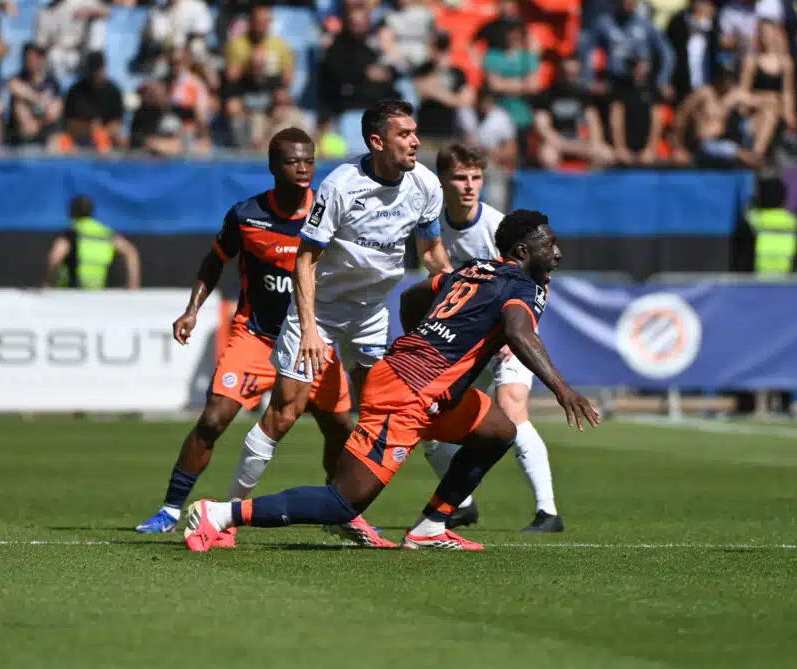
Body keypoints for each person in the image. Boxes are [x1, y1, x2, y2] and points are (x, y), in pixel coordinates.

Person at [183, 210, 600, 552]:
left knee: (498, 430)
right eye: (549, 245)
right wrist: (562, 389)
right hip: (409, 392)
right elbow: (517, 330)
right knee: (342, 503)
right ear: (524, 251)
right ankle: (220, 514)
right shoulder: (521, 285)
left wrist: (423, 340)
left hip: (423, 383)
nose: (558, 253)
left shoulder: (475, 269)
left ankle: (431, 527)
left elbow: (412, 296)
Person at [221, 99, 451, 549]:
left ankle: (349, 514)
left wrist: (452, 299)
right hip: (320, 309)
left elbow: (431, 255)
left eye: (416, 132)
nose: (416, 141)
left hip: (371, 311)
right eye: (405, 134)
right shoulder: (341, 186)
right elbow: (305, 260)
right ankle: (225, 516)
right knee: (285, 412)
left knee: (383, 413)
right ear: (376, 141)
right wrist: (308, 328)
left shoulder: (425, 184)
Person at [136, 128, 355, 539]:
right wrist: (192, 310)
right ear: (274, 166)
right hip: (257, 336)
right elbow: (214, 261)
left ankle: (338, 509)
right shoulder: (247, 216)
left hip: (310, 338)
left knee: (341, 426)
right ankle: (169, 510)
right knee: (214, 419)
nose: (303, 168)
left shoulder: (329, 215)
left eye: (309, 160)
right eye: (293, 161)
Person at [423, 144, 565, 533]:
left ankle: (548, 511)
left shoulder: (497, 227)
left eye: (476, 177)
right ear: (443, 182)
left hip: (508, 337)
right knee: (430, 423)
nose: (469, 186)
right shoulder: (431, 225)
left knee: (512, 408)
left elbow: (539, 282)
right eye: (460, 177)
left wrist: (515, 333)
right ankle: (461, 503)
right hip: (467, 343)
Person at [43, 194, 141, 289]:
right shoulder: (106, 233)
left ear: (71, 212)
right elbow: (131, 252)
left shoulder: (72, 233)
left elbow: (55, 256)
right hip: (96, 291)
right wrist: (133, 285)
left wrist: (47, 282)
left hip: (71, 291)